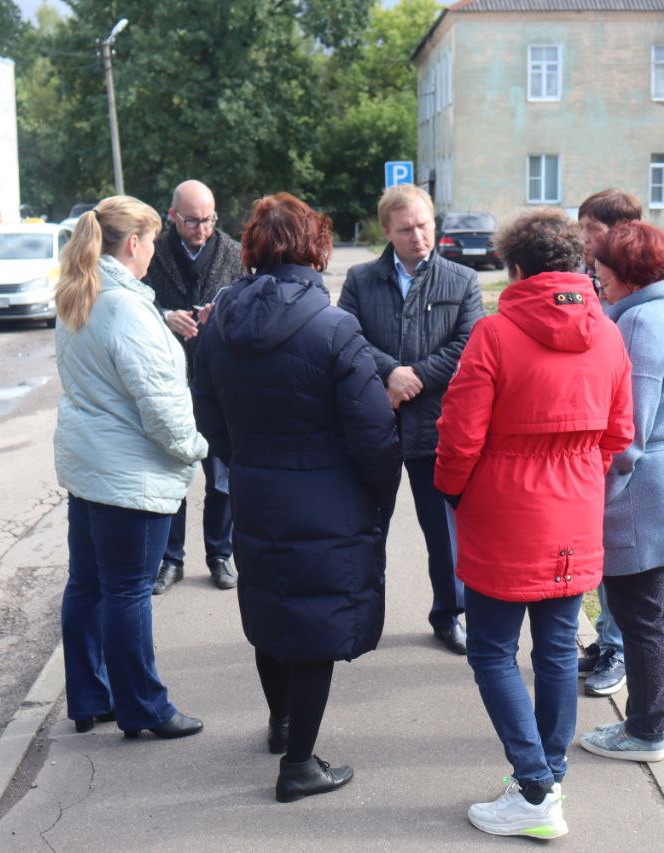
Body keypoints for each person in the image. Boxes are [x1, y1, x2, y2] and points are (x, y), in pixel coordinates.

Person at [192, 193, 400, 803]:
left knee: (272, 606)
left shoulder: (219, 323)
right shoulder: (334, 328)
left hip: (257, 489)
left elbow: (208, 413)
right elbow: (374, 433)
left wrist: (247, 458)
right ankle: (299, 764)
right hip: (326, 496)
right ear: (316, 249)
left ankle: (283, 723)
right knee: (315, 624)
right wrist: (379, 495)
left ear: (254, 249)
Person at [435, 209, 633, 839]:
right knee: (555, 650)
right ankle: (548, 779)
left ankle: (534, 788)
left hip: (504, 510)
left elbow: (459, 435)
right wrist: (580, 472)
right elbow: (619, 434)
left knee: (492, 651)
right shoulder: (608, 334)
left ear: (516, 268)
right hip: (576, 510)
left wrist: (455, 491)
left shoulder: (494, 334)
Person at [53, 196, 208, 740]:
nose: (154, 253)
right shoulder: (125, 308)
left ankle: (90, 698)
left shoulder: (81, 295)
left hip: (91, 469)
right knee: (127, 593)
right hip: (129, 477)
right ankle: (144, 707)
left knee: (87, 586)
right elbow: (160, 402)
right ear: (134, 243)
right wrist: (194, 447)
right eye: (152, 242)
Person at [578, 221, 664, 764]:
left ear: (628, 277)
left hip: (641, 493)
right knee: (657, 612)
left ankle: (647, 731)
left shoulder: (640, 325)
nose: (598, 282)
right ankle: (657, 724)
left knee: (640, 616)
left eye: (603, 273)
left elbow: (626, 436)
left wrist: (594, 500)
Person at [338, 184, 484, 655]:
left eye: (423, 225)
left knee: (443, 533)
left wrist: (415, 377)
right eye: (405, 229)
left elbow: (469, 344)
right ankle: (362, 617)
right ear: (386, 231)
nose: (417, 236)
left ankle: (450, 614)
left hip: (436, 426)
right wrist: (390, 372)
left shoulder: (462, 280)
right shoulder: (361, 279)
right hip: (375, 422)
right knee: (367, 527)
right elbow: (345, 336)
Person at [144, 179, 244, 594]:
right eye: (191, 221)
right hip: (169, 382)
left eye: (208, 220)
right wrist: (165, 316)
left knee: (221, 478)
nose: (201, 229)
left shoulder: (235, 254)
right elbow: (136, 302)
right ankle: (171, 559)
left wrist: (218, 317)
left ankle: (219, 555)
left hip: (218, 382)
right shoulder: (151, 252)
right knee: (173, 474)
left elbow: (247, 306)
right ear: (172, 216)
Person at [573, 188, 643, 698]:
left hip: (618, 442)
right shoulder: (587, 277)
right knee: (596, 547)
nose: (582, 239)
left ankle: (617, 649)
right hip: (587, 426)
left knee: (615, 553)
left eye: (589, 229)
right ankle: (605, 639)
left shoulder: (632, 287)